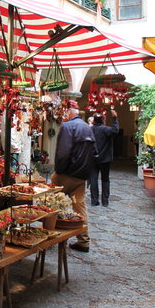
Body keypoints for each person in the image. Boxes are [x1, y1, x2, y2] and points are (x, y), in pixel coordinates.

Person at [51, 101, 97, 253]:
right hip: (81, 175)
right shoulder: (87, 127)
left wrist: (59, 171)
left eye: (65, 113)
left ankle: (52, 235)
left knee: (53, 202)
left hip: (67, 173)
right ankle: (84, 241)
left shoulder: (67, 126)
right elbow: (95, 152)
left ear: (69, 113)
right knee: (79, 206)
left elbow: (63, 152)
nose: (63, 116)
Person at [90, 110, 119, 207]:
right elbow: (115, 130)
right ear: (103, 120)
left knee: (93, 179)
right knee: (105, 179)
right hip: (105, 159)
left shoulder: (90, 130)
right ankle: (105, 201)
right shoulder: (106, 130)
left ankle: (94, 201)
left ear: (94, 120)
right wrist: (115, 118)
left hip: (93, 159)